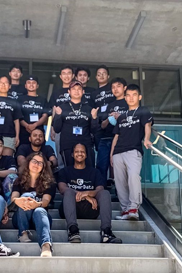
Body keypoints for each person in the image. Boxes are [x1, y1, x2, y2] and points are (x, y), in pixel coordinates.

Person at [58, 144, 122, 244]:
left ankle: (106, 232)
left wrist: (87, 194)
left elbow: (100, 188)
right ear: (72, 154)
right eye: (77, 151)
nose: (80, 154)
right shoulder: (65, 171)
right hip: (70, 208)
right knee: (68, 191)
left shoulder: (94, 172)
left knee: (104, 193)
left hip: (91, 209)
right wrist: (86, 196)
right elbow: (62, 189)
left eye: (82, 151)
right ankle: (73, 231)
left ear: (86, 155)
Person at [111, 84, 153, 221]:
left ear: (139, 97)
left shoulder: (143, 111)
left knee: (133, 177)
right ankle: (125, 210)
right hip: (118, 152)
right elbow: (116, 136)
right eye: (128, 95)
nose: (131, 98)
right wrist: (112, 154)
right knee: (120, 182)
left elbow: (147, 126)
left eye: (134, 95)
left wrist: (146, 139)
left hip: (133, 150)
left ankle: (133, 208)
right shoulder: (122, 116)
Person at [11, 152, 56, 257]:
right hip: (21, 217)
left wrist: (36, 204)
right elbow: (14, 197)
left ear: (44, 167)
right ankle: (23, 233)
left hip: (39, 218)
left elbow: (45, 202)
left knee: (39, 210)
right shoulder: (19, 180)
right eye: (34, 161)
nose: (37, 165)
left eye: (40, 163)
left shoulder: (49, 183)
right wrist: (18, 200)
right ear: (28, 163)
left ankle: (46, 246)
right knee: (25, 196)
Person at [52, 80, 98, 168]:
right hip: (68, 144)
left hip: (86, 145)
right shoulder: (62, 108)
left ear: (83, 92)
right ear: (69, 91)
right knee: (69, 172)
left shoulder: (89, 109)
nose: (76, 91)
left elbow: (94, 130)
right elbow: (57, 129)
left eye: (79, 89)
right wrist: (58, 115)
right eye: (74, 89)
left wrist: (94, 118)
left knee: (88, 172)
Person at [97, 77, 128, 185]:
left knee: (120, 167)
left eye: (118, 86)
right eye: (113, 87)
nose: (115, 89)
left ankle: (119, 191)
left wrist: (120, 117)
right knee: (101, 166)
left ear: (125, 88)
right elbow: (102, 125)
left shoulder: (130, 103)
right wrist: (109, 118)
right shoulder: (110, 105)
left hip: (122, 139)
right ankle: (101, 189)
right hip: (105, 138)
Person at [0, 76, 23, 156]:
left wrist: (17, 136)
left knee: (7, 159)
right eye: (1, 83)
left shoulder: (14, 102)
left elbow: (16, 121)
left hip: (9, 135)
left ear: (9, 86)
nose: (3, 85)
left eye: (6, 83)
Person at [19, 75, 50, 146]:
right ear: (25, 85)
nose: (31, 85)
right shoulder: (20, 99)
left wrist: (35, 125)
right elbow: (18, 116)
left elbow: (45, 116)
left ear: (37, 86)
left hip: (39, 133)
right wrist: (27, 126)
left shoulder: (43, 100)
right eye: (29, 83)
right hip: (23, 131)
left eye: (33, 83)